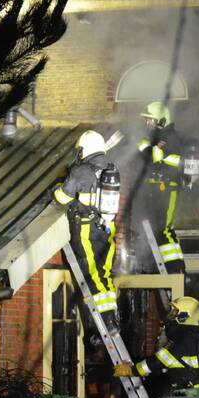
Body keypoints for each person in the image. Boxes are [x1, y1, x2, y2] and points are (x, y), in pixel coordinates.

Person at [52, 130, 121, 332]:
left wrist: (55, 189)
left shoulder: (80, 171)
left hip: (86, 229)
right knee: (104, 274)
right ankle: (111, 317)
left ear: (85, 149)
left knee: (91, 274)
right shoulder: (111, 170)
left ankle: (104, 321)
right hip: (107, 227)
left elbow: (62, 198)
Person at [135, 101, 186, 274]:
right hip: (156, 190)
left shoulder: (169, 137)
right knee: (156, 229)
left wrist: (153, 150)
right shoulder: (153, 139)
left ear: (160, 121)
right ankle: (163, 265)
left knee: (165, 229)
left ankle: (175, 267)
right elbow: (141, 153)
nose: (146, 123)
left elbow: (153, 158)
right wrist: (151, 148)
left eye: (149, 120)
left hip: (168, 188)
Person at [129, 296, 199, 398]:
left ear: (184, 316)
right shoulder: (193, 335)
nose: (171, 316)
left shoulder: (181, 339)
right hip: (195, 391)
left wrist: (132, 370)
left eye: (175, 312)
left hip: (189, 395)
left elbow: (156, 362)